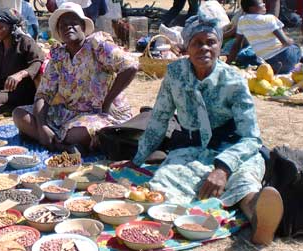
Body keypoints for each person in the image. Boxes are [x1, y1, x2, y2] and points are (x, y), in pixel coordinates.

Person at [112, 12, 283, 246]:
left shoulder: (234, 80)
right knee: (165, 183)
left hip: (234, 149)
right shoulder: (175, 74)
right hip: (192, 149)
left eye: (211, 42)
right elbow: (159, 120)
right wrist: (137, 159)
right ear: (186, 47)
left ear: (219, 45)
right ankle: (174, 222)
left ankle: (260, 217)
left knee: (243, 184)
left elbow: (251, 137)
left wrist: (222, 168)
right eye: (197, 43)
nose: (204, 48)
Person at [12, 2, 138, 153]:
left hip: (100, 114)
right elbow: (43, 94)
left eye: (74, 23)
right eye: (63, 25)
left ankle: (60, 141)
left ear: (83, 27)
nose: (68, 27)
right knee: (19, 114)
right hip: (69, 113)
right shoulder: (58, 56)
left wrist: (107, 101)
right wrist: (42, 126)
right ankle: (59, 144)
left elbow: (130, 66)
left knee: (78, 134)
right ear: (58, 31)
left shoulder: (97, 46)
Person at [227, 0, 301, 74]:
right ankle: (296, 64)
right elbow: (285, 42)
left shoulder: (241, 21)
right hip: (286, 59)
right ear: (252, 8)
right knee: (297, 47)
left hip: (269, 65)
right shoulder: (269, 18)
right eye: (261, 3)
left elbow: (237, 45)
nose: (264, 4)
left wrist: (228, 62)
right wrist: (291, 41)